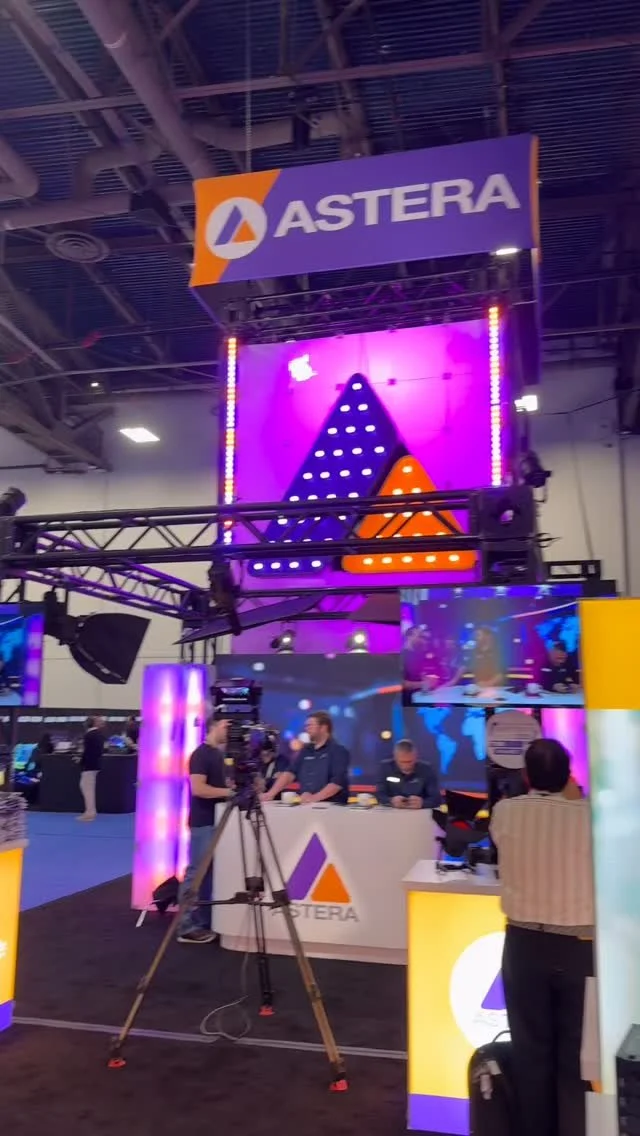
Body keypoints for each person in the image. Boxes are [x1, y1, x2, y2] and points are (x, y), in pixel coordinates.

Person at [490, 738, 594, 1136]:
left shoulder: (505, 812)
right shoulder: (590, 817)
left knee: (530, 1054)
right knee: (577, 1057)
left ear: (526, 775)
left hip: (524, 944)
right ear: (569, 775)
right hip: (579, 947)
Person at [177, 716, 232, 944]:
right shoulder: (201, 755)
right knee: (197, 872)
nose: (230, 730)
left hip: (215, 820)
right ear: (213, 727)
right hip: (203, 822)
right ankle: (185, 926)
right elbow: (198, 789)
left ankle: (202, 921)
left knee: (208, 875)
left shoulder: (218, 755)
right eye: (226, 726)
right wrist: (229, 793)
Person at [262, 711, 349, 805]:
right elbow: (289, 773)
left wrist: (315, 798)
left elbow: (337, 782)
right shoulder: (305, 751)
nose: (306, 729)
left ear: (323, 727)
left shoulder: (338, 751)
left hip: (331, 806)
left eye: (310, 725)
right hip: (306, 805)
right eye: (306, 726)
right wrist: (270, 794)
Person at [377, 739, 441, 809]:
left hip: (419, 812)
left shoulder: (427, 769)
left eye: (409, 761)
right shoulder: (385, 768)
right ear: (395, 757)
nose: (406, 766)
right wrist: (391, 801)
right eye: (402, 762)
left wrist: (423, 803)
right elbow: (379, 795)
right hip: (393, 812)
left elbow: (436, 799)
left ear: (416, 757)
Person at [76, 716, 105, 822]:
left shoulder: (89, 735)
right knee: (88, 788)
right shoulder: (99, 734)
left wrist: (81, 761)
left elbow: (87, 752)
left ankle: (89, 813)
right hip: (95, 764)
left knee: (87, 789)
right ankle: (91, 811)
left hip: (89, 766)